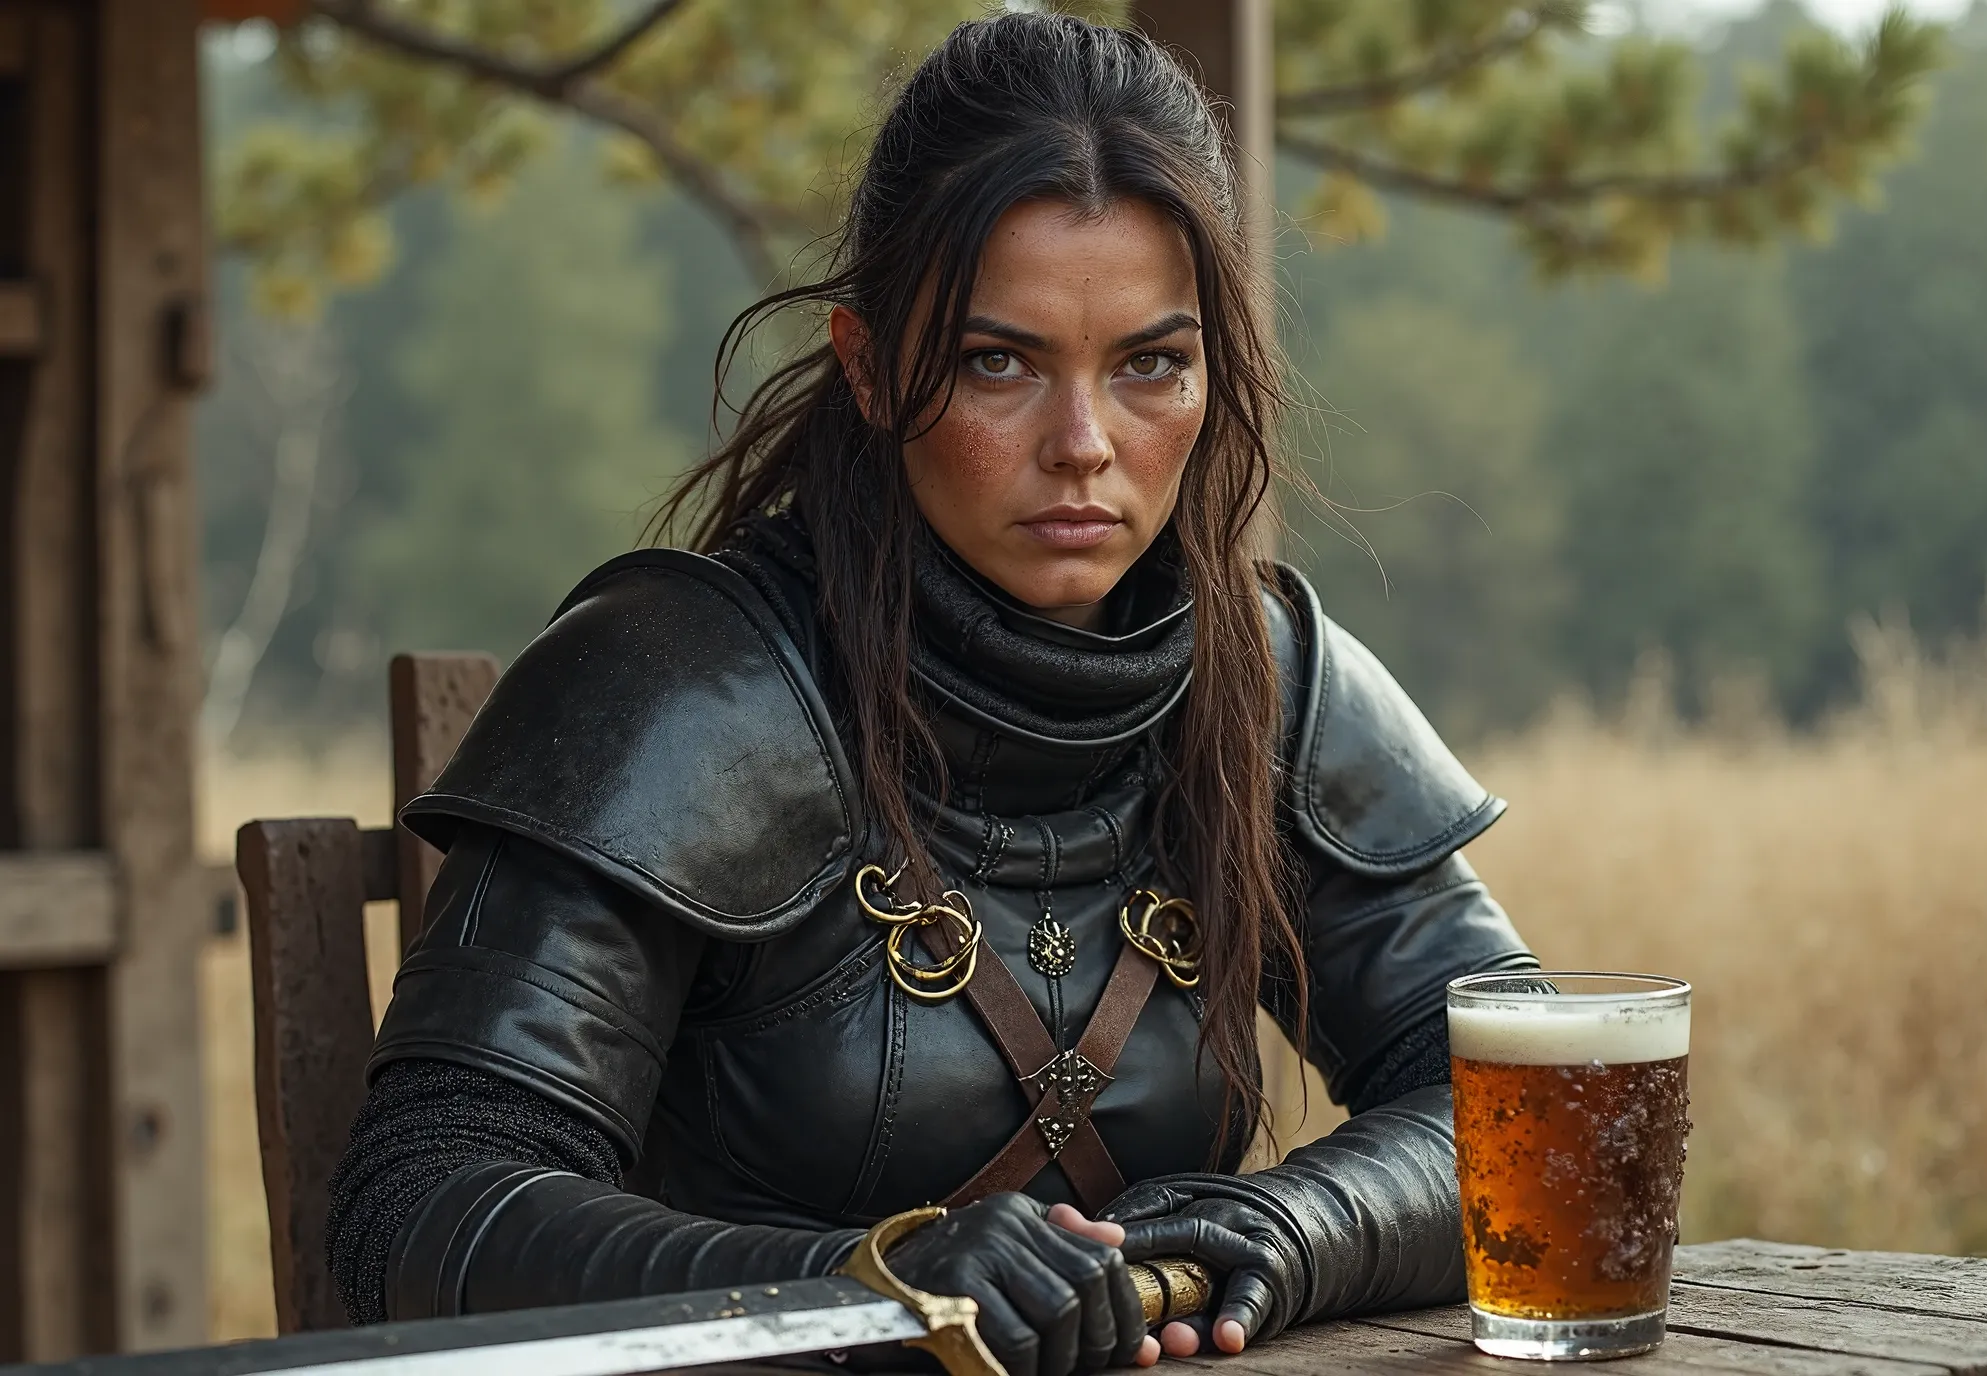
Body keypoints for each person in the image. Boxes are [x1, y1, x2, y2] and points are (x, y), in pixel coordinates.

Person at [327, 13, 1537, 1374]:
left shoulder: (1264, 684)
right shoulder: (677, 694)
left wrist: (1292, 1225)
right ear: (867, 363)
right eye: (997, 362)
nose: (1085, 448)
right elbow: (420, 1215)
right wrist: (864, 1286)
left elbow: (1528, 1104)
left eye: (1150, 363)